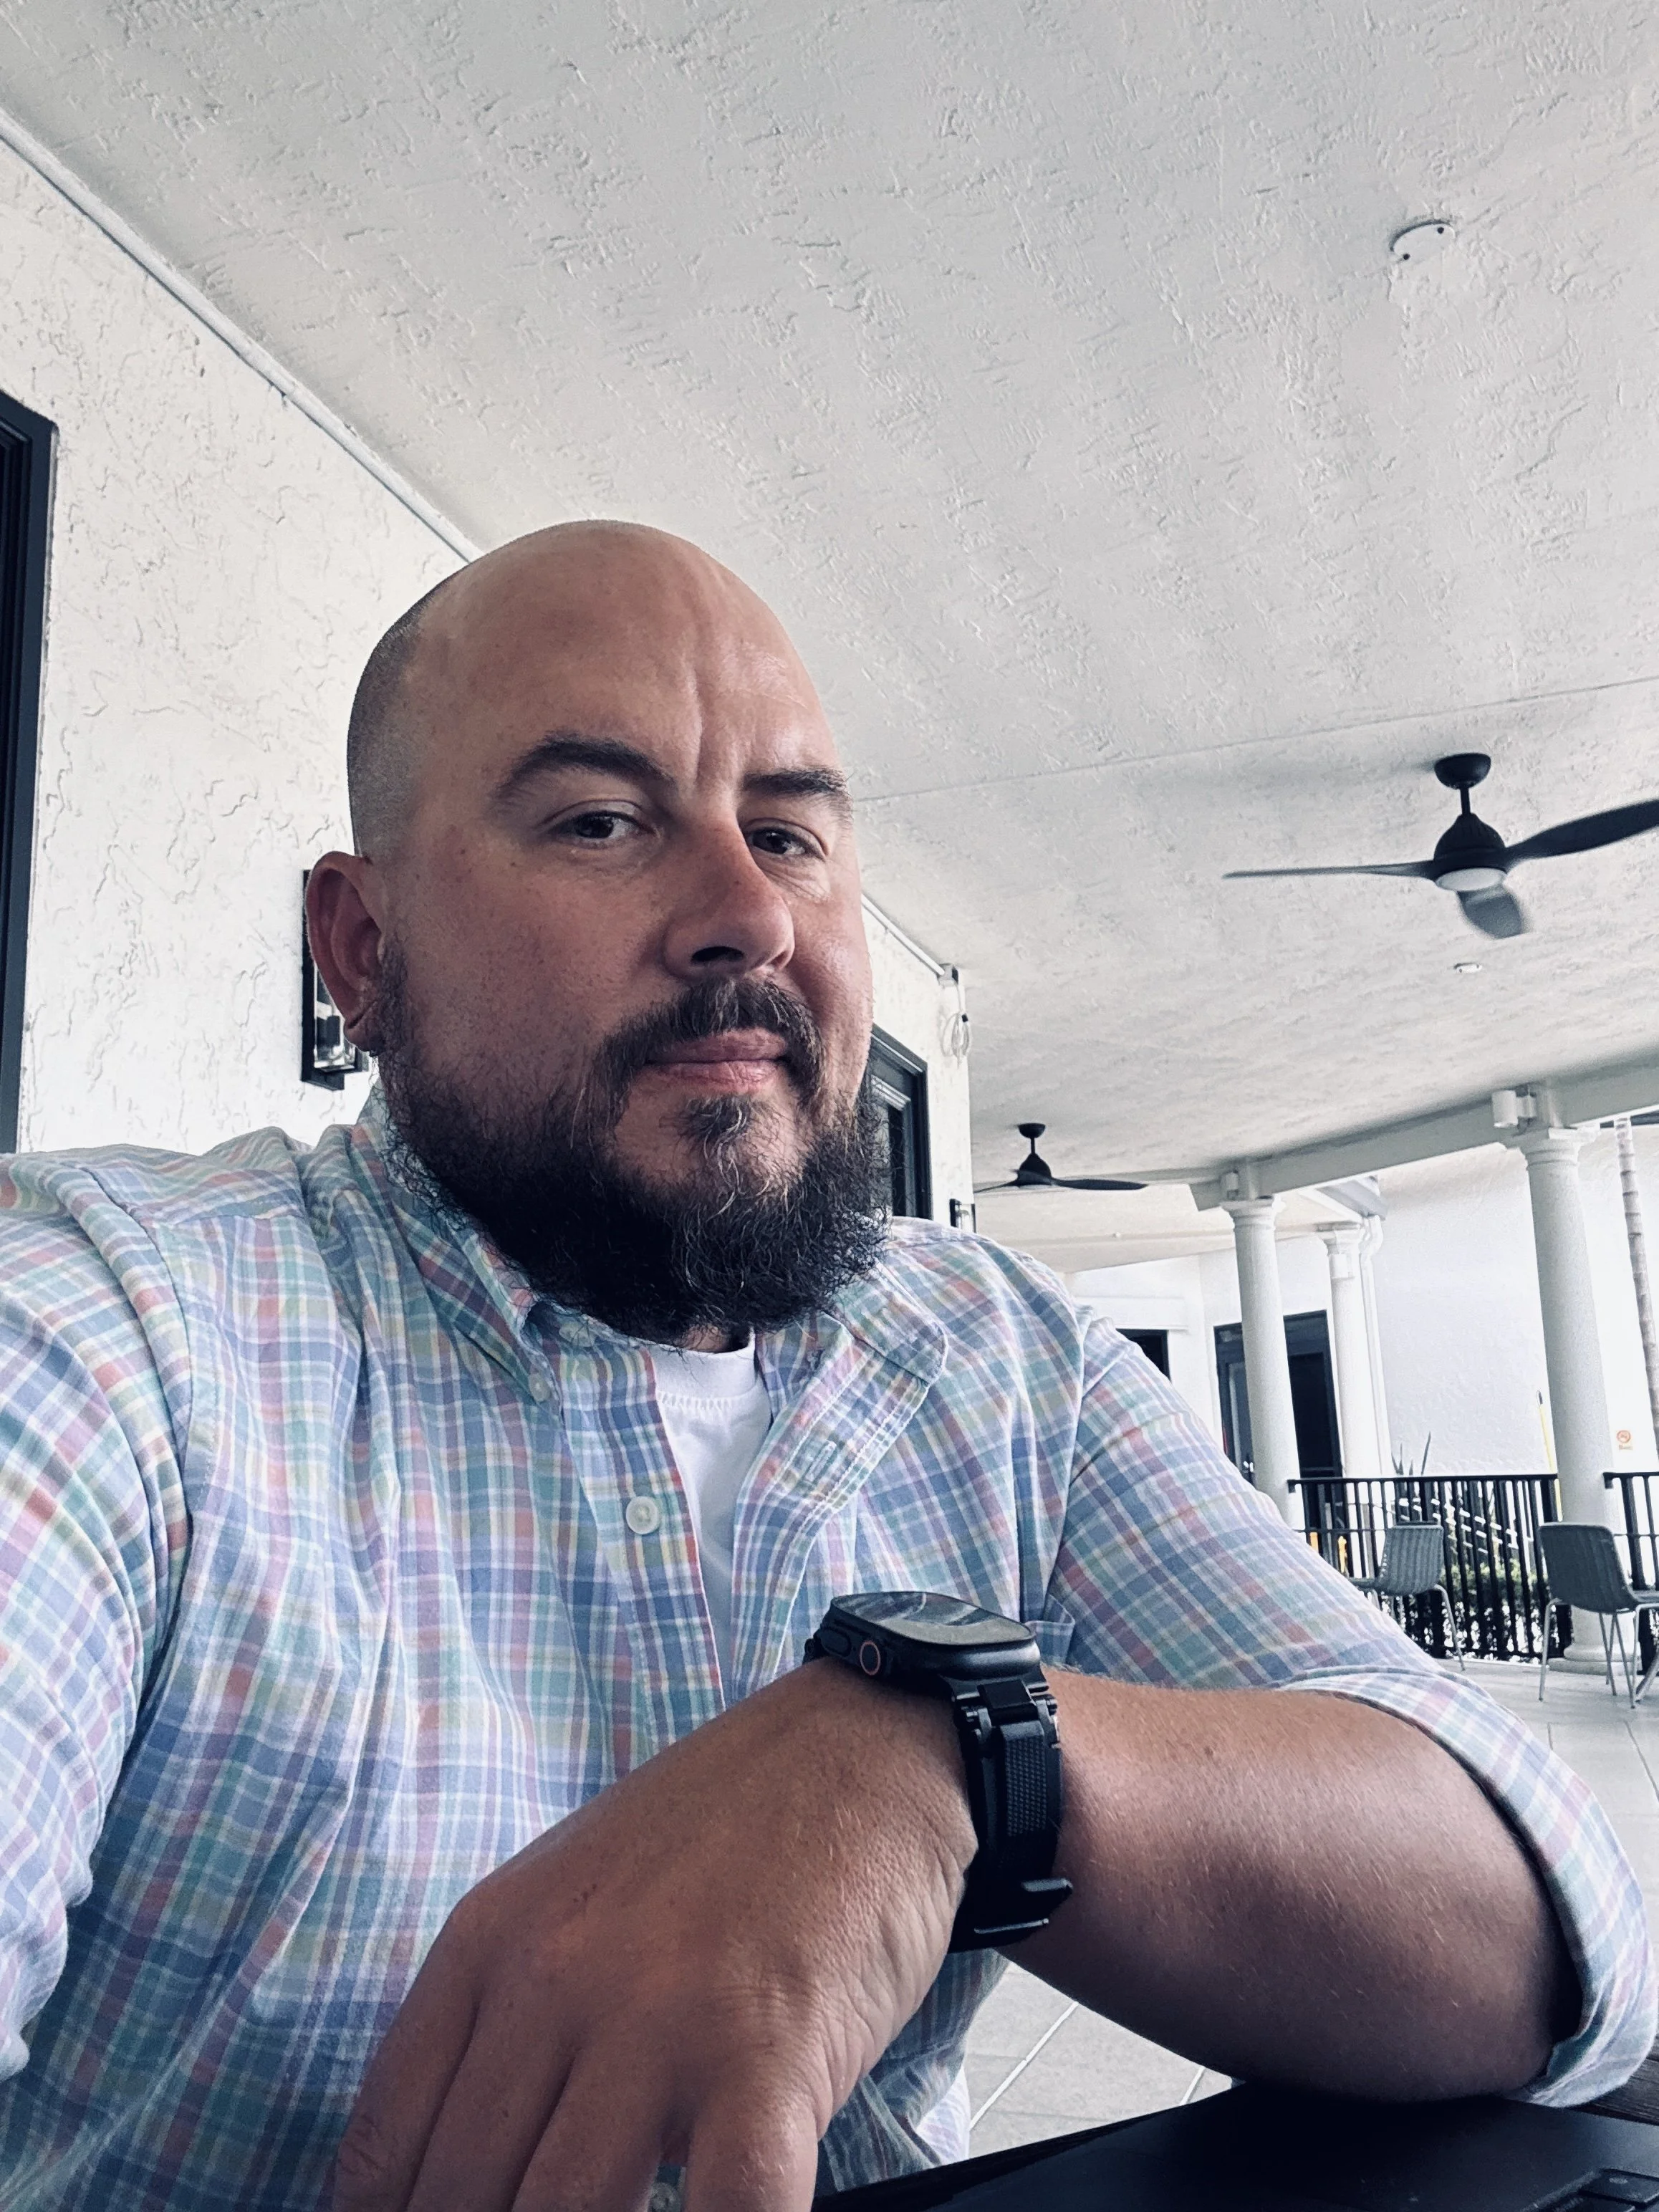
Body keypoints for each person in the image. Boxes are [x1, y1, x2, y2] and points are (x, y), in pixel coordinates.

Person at [0, 522, 1649, 2212]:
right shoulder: (112, 1317)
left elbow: (1555, 1931)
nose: (743, 913)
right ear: (361, 947)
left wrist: (958, 1759)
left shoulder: (999, 1358)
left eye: (789, 832)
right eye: (598, 821)